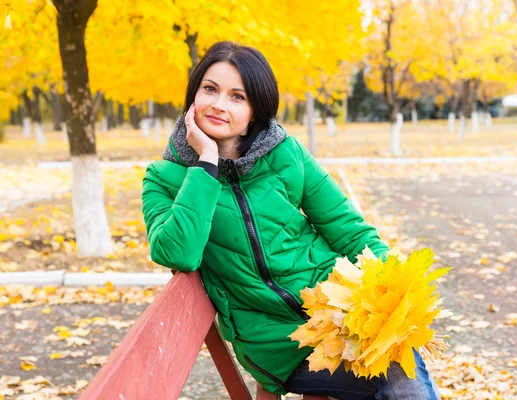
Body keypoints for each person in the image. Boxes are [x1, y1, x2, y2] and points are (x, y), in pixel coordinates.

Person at [141, 41, 441, 400]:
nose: (219, 105)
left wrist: (394, 290)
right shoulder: (163, 179)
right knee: (395, 382)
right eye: (210, 89)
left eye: (238, 96)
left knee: (400, 368)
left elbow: (347, 229)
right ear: (193, 96)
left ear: (254, 111)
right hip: (277, 345)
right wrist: (205, 163)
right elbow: (178, 253)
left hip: (340, 316)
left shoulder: (286, 152)